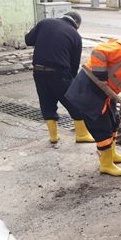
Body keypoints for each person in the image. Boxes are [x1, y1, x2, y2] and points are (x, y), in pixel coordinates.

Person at [65, 37, 121, 177]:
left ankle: (111, 154)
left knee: (114, 122)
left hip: (106, 94)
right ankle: (106, 165)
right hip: (90, 88)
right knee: (102, 128)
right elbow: (98, 52)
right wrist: (100, 74)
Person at [24, 11, 94, 145]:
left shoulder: (45, 22)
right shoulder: (75, 35)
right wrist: (71, 81)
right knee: (74, 103)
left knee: (47, 102)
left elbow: (28, 40)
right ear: (76, 24)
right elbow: (74, 64)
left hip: (38, 71)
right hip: (59, 73)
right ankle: (82, 134)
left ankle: (54, 136)